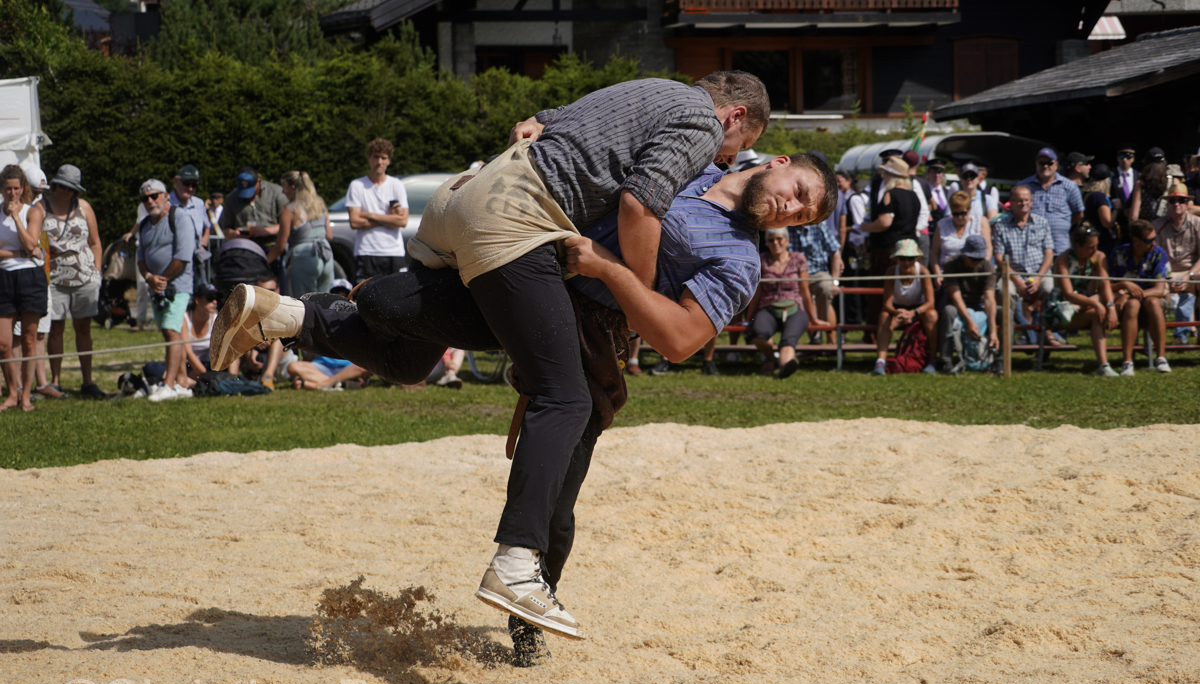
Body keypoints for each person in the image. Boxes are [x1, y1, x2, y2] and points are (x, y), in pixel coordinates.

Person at [211, 148, 834, 651]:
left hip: (592, 338)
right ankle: (283, 313)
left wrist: (607, 269)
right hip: (527, 279)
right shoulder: (689, 158)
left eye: (802, 217)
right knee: (383, 309)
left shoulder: (738, 257)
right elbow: (586, 149)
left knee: (558, 491)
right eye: (800, 192)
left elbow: (677, 339)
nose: (791, 210)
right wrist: (535, 132)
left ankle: (527, 624)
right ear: (779, 160)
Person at [25, 164, 105, 398]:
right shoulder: (41, 207)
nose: (66, 191)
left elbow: (96, 242)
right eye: (63, 186)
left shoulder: (85, 208)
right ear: (56, 185)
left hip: (85, 277)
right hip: (53, 278)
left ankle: (87, 381)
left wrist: (97, 272)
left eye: (71, 188)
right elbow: (32, 241)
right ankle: (56, 380)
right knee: (55, 328)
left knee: (83, 328)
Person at [135, 179, 195, 403]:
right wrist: (150, 278)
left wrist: (163, 279)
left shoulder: (179, 217)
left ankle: (168, 385)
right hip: (156, 288)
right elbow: (141, 259)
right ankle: (181, 383)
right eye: (145, 198)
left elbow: (183, 255)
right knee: (171, 333)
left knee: (170, 331)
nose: (150, 201)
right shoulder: (144, 224)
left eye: (154, 196)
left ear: (165, 195)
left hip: (177, 286)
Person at [0, 165, 48, 412]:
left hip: (30, 277)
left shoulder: (33, 212)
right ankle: (11, 393)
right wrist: (15, 252)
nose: (12, 193)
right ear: (1, 189)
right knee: (3, 343)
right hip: (4, 278)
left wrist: (16, 217)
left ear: (23, 189)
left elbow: (31, 246)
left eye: (16, 188)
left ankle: (26, 395)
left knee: (30, 340)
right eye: (7, 188)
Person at [857, 156, 921, 335]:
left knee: (879, 293)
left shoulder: (890, 195)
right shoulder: (914, 196)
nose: (882, 176)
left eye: (885, 173)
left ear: (893, 176)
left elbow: (884, 222)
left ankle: (874, 334)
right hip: (911, 250)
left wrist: (865, 226)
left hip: (888, 252)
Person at [1050, 223, 1119, 376]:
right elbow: (1068, 294)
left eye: (1096, 245)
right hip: (1059, 309)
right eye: (1090, 247)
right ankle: (1103, 365)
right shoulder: (1063, 260)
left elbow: (1105, 284)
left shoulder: (1099, 256)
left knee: (1102, 308)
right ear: (1078, 246)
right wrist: (1095, 303)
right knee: (1097, 310)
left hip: (1083, 305)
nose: (1095, 250)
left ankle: (1103, 365)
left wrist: (1111, 307)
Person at [991, 185, 1055, 341]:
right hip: (1012, 274)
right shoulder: (1001, 226)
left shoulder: (1042, 223)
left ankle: (1046, 331)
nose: (1023, 203)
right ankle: (1008, 334)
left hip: (1038, 272)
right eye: (1019, 200)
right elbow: (999, 258)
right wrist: (1017, 281)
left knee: (1049, 287)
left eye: (1026, 200)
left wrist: (1039, 277)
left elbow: (1049, 254)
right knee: (1004, 291)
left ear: (1032, 202)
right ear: (1011, 203)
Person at [1108, 219, 1171, 375]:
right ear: (1135, 240)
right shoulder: (1118, 253)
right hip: (1128, 307)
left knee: (1153, 302)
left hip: (1153, 302)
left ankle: (1161, 358)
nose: (1153, 243)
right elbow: (1105, 285)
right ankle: (1127, 362)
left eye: (1154, 238)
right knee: (1133, 305)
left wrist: (1128, 295)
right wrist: (1124, 283)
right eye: (1149, 240)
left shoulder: (1159, 254)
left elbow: (1158, 290)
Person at [750, 227, 813, 378]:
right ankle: (771, 358)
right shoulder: (761, 259)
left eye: (779, 239)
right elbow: (756, 292)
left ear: (787, 240)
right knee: (759, 334)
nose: (775, 243)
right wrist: (748, 318)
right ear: (766, 242)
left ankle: (784, 367)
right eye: (771, 240)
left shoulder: (798, 258)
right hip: (767, 307)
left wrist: (813, 317)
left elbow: (805, 291)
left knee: (788, 340)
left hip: (794, 307)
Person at [346, 139, 410, 282]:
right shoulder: (357, 185)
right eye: (376, 157)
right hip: (366, 251)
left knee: (395, 297)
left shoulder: (396, 185)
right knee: (364, 297)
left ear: (389, 160)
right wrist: (388, 219)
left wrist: (368, 214)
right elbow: (355, 222)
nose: (379, 161)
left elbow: (402, 221)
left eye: (384, 158)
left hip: (394, 251)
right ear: (369, 158)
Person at [871, 239, 936, 375]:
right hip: (898, 311)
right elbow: (887, 304)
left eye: (910, 258)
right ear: (896, 259)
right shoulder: (890, 272)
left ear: (917, 258)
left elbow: (930, 302)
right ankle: (880, 361)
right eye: (902, 258)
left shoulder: (923, 272)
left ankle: (932, 360)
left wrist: (913, 313)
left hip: (919, 311)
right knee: (884, 316)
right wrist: (898, 313)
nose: (906, 262)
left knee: (932, 315)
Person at [265, 171, 334, 298]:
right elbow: (329, 236)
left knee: (306, 305)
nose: (282, 191)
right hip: (327, 257)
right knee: (325, 304)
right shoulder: (320, 204)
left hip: (304, 257)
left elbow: (280, 246)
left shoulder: (290, 210)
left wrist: (264, 262)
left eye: (283, 186)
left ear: (292, 187)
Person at [938, 234, 998, 371]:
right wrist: (970, 322)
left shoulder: (988, 267)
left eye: (980, 258)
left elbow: (989, 299)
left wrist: (993, 331)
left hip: (980, 304)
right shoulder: (950, 263)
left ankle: (1000, 361)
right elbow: (956, 296)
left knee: (1004, 313)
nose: (976, 261)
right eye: (973, 258)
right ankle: (946, 361)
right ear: (964, 254)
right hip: (957, 304)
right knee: (948, 311)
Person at [1152, 183, 1200, 343]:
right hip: (1165, 272)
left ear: (1187, 204)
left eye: (1181, 200)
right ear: (1167, 204)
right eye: (1172, 201)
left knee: (1190, 289)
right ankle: (1152, 338)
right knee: (1152, 293)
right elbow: (1154, 256)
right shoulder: (1157, 225)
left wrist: (1189, 275)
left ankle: (1180, 335)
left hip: (1191, 272)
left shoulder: (1198, 224)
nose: (1177, 204)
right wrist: (1166, 277)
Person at [227, 273, 288, 390]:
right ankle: (232, 380)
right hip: (252, 359)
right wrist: (252, 349)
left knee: (279, 339)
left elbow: (287, 334)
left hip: (280, 362)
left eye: (271, 290)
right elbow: (238, 336)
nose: (267, 295)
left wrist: (261, 340)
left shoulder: (286, 307)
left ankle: (268, 377)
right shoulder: (246, 310)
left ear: (278, 290)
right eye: (262, 291)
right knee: (235, 340)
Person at [1019, 148, 1085, 255]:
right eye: (1041, 163)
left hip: (1060, 248)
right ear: (1036, 164)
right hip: (1032, 250)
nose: (1045, 166)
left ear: (1056, 165)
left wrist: (1064, 224)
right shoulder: (1023, 186)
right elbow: (1016, 213)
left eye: (1049, 163)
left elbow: (1079, 214)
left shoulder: (1069, 186)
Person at [787, 218, 840, 339]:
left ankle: (830, 341)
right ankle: (815, 339)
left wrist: (835, 281)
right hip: (795, 276)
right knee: (805, 299)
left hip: (818, 273)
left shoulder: (819, 224)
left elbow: (835, 253)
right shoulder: (784, 225)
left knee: (826, 288)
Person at [218, 167, 288, 250]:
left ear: (258, 181)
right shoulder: (231, 199)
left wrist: (266, 231)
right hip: (243, 247)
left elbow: (288, 224)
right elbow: (226, 230)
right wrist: (234, 234)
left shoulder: (276, 192)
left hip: (272, 246)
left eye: (250, 189)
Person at [931, 190, 991, 283]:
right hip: (947, 275)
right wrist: (937, 275)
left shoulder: (980, 222)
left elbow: (988, 249)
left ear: (969, 209)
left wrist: (979, 268)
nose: (959, 217)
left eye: (963, 213)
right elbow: (934, 252)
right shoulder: (942, 225)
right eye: (955, 214)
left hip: (974, 274)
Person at [169, 165, 211, 289]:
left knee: (199, 297)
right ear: (176, 181)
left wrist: (203, 245)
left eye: (194, 185)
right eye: (186, 183)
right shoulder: (167, 204)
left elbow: (207, 227)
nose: (190, 188)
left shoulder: (199, 203)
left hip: (196, 261)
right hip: (174, 260)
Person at [182, 283, 222, 380]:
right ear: (197, 300)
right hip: (188, 364)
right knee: (151, 367)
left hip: (208, 365)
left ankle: (233, 380)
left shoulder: (216, 320)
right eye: (209, 298)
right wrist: (206, 377)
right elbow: (188, 353)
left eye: (216, 299)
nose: (215, 302)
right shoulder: (184, 318)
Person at [901, 150, 931, 260]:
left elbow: (926, 209)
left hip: (915, 232)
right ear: (918, 165)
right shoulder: (924, 182)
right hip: (922, 231)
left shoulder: (912, 183)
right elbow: (931, 205)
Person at [1081, 164, 1116, 257]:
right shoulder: (1099, 196)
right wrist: (1117, 209)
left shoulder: (1085, 194)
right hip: (1101, 242)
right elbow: (1107, 222)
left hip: (1088, 239)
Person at [1130, 149, 1168, 224]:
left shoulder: (1141, 184)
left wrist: (1134, 233)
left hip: (1147, 230)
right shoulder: (1173, 181)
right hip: (1167, 230)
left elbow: (1133, 217)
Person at [1112, 144, 1138, 238]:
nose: (1125, 160)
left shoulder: (1138, 176)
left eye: (1128, 157)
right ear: (1117, 158)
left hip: (1134, 220)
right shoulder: (1112, 176)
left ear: (1133, 159)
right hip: (1118, 221)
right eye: (1122, 156)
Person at [924, 158, 950, 228]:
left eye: (939, 172)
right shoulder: (924, 190)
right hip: (930, 230)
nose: (937, 175)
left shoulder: (947, 191)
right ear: (928, 173)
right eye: (934, 172)